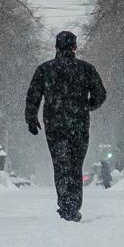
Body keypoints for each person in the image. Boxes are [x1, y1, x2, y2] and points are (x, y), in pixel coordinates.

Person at [25, 30, 108, 222]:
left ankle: (65, 205)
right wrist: (87, 105)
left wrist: (31, 118)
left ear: (56, 47)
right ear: (75, 47)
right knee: (75, 166)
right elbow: (100, 94)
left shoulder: (45, 70)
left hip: (54, 125)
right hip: (79, 124)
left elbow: (33, 96)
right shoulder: (86, 69)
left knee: (61, 165)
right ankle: (74, 206)